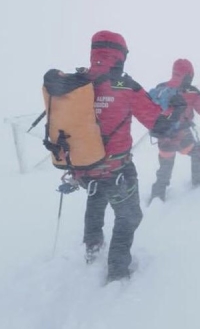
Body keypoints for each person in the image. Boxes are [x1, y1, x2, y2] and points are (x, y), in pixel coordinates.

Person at [73, 30, 185, 283]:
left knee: (96, 199)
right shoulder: (125, 86)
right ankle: (117, 270)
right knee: (130, 215)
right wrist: (176, 110)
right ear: (120, 56)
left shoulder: (79, 82)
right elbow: (159, 126)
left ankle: (92, 247)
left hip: (85, 167)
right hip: (117, 169)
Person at [149, 58, 200, 203]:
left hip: (163, 137)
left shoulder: (160, 88)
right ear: (189, 74)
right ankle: (198, 184)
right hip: (182, 136)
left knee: (165, 165)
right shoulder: (191, 92)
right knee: (199, 152)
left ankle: (157, 195)